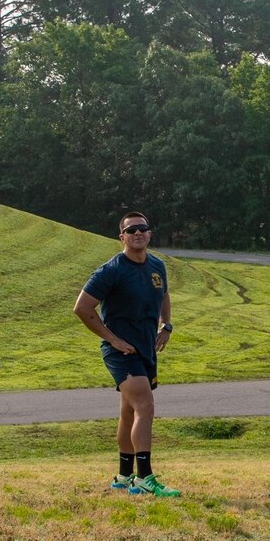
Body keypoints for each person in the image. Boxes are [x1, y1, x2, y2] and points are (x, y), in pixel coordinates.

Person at [74, 212, 180, 497]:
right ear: (122, 237)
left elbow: (164, 295)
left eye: (143, 228)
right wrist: (113, 339)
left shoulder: (157, 266)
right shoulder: (111, 271)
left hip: (146, 348)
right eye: (131, 230)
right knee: (145, 405)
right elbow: (82, 308)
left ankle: (123, 475)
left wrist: (166, 325)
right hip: (121, 351)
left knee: (129, 411)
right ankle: (144, 478)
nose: (138, 233)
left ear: (149, 233)